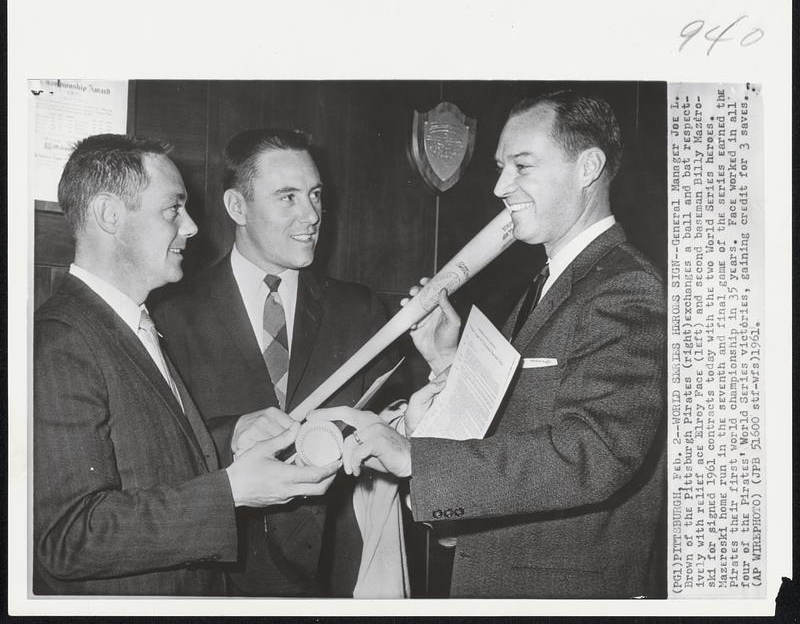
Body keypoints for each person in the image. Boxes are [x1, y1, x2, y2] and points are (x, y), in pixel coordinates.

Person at [312, 90, 668, 598]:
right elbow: (523, 417)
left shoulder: (624, 286)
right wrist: (447, 361)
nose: (501, 186)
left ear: (588, 167)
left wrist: (417, 459)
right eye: (502, 167)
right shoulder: (546, 282)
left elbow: (598, 451)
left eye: (522, 167)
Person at [33, 134, 340, 596]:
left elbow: (156, 458)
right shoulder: (61, 341)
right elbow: (68, 538)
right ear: (109, 215)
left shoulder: (132, 321)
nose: (193, 226)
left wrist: (234, 441)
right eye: (173, 209)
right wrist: (230, 492)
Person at [152, 129, 401, 597]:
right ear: (237, 208)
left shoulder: (361, 309)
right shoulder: (169, 312)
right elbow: (158, 447)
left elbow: (394, 422)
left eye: (315, 195)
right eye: (287, 197)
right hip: (219, 576)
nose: (311, 215)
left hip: (333, 576)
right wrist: (232, 435)